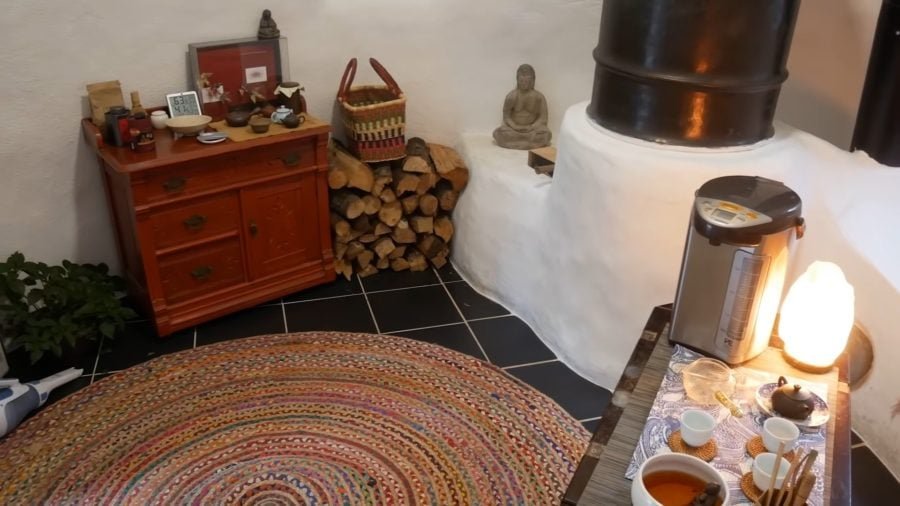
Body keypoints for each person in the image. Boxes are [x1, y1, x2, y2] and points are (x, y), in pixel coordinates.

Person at [493, 64, 552, 150]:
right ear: (517, 80)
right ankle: (527, 142)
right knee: (499, 133)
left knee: (546, 134)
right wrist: (515, 126)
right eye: (522, 80)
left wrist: (531, 127)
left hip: (532, 130)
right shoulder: (512, 96)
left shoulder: (539, 97)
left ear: (533, 80)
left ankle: (519, 141)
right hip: (514, 129)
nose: (524, 83)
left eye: (527, 81)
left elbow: (543, 118)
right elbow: (506, 117)